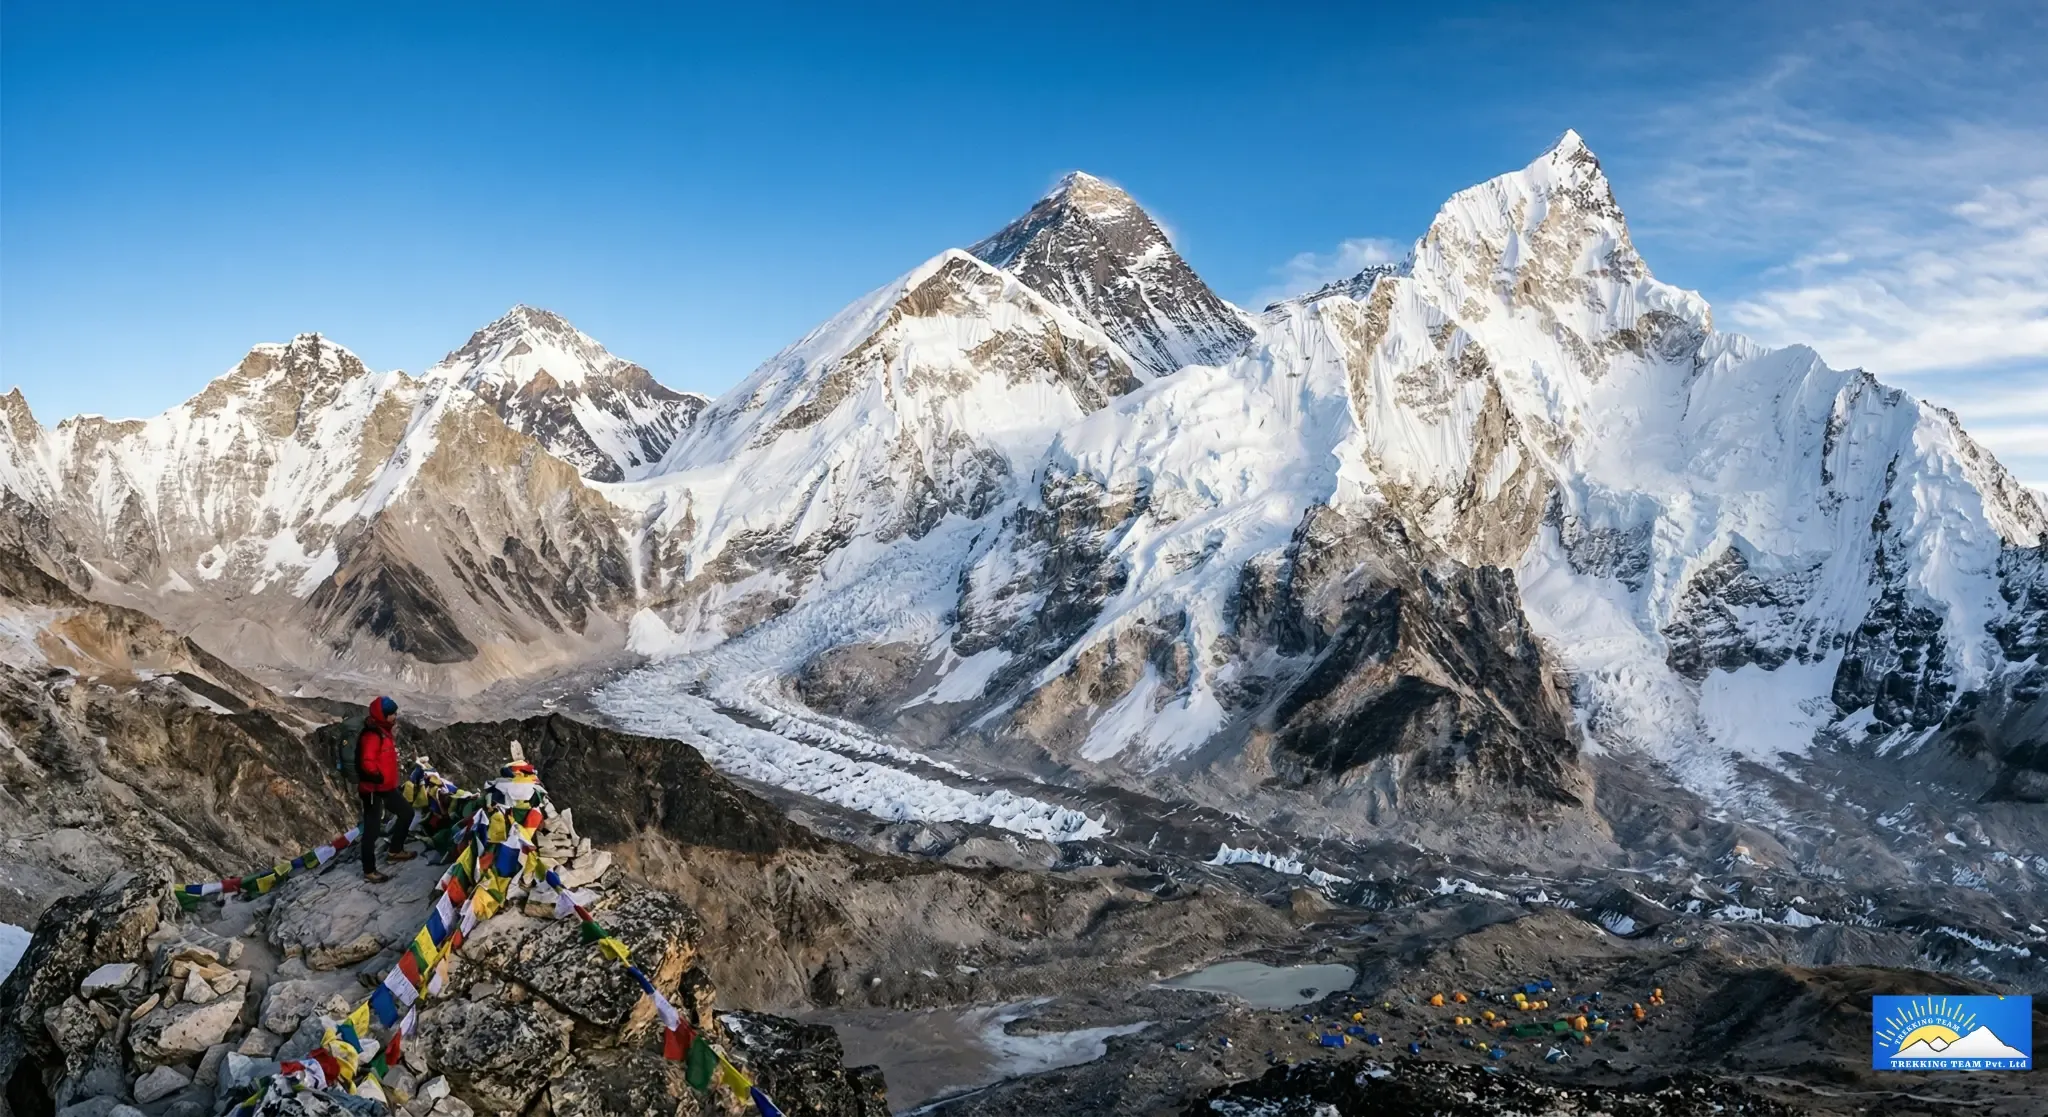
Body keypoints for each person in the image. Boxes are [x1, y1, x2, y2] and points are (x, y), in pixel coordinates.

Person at [356, 696, 415, 883]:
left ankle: (395, 851)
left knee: (407, 813)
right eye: (392, 714)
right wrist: (377, 776)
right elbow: (367, 761)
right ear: (383, 715)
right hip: (373, 789)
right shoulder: (372, 735)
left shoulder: (383, 731)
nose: (395, 717)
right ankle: (369, 870)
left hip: (386, 787)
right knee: (372, 830)